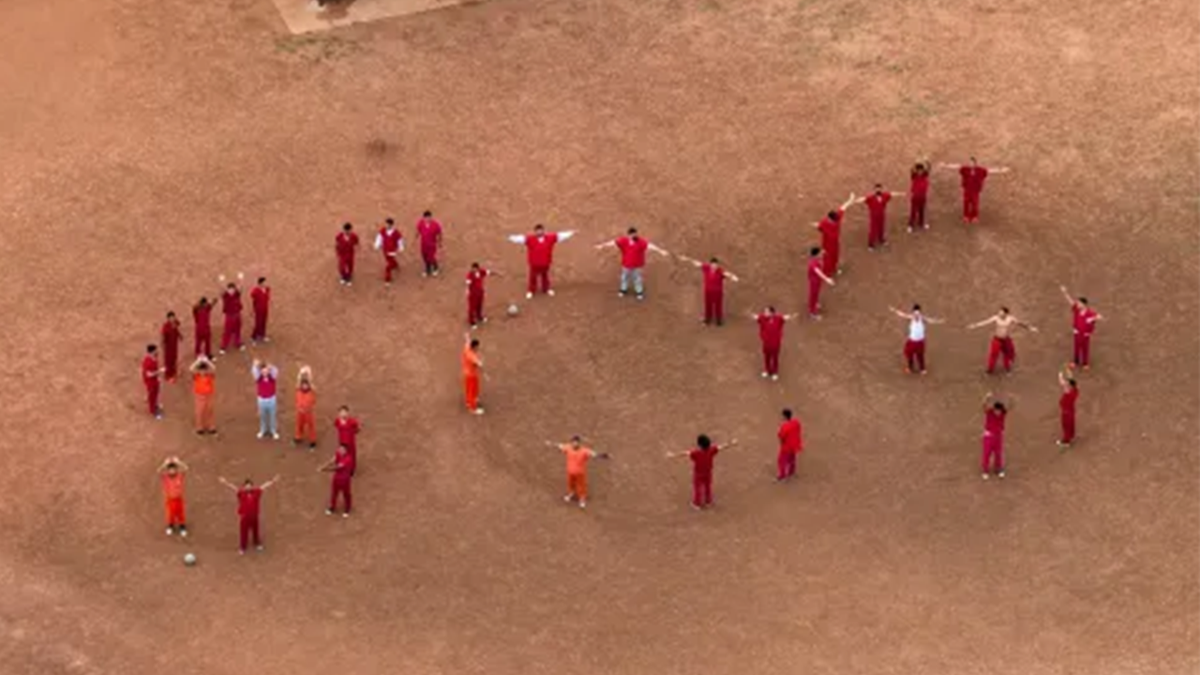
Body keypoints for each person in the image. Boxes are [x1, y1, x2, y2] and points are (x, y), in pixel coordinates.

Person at [594, 227, 671, 300]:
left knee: (637, 279)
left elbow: (650, 246)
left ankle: (639, 292)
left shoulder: (641, 242)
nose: (634, 236)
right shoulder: (624, 241)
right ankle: (623, 290)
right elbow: (613, 242)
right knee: (624, 278)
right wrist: (602, 245)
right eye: (632, 234)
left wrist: (660, 251)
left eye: (635, 234)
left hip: (637, 266)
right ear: (629, 235)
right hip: (626, 265)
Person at [667, 435, 738, 510]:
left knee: (697, 487)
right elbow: (721, 447)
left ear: (699, 445)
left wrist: (672, 455)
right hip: (708, 472)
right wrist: (732, 443)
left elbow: (685, 453)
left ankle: (697, 503)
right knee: (708, 486)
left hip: (698, 474)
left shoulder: (696, 453)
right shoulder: (712, 450)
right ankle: (708, 501)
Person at [507, 224, 577, 299]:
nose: (539, 232)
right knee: (533, 277)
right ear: (535, 232)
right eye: (538, 231)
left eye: (541, 230)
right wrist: (510, 237)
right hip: (534, 264)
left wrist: (572, 232)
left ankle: (546, 289)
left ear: (543, 231)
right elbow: (519, 239)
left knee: (545, 277)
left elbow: (561, 236)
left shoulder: (550, 238)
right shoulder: (530, 239)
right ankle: (531, 291)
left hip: (545, 263)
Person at [218, 475, 280, 554]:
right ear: (244, 487)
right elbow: (233, 488)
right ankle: (242, 547)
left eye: (250, 486)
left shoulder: (256, 492)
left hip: (254, 516)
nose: (248, 488)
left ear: (252, 486)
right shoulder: (241, 493)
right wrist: (225, 482)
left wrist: (273, 481)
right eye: (247, 486)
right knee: (243, 532)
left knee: (256, 531)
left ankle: (257, 543)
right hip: (245, 517)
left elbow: (264, 486)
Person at [938, 157, 1011, 224]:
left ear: (975, 164)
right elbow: (956, 167)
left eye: (972, 163)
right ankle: (966, 216)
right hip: (967, 190)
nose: (971, 164)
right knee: (966, 203)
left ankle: (974, 217)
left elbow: (990, 171)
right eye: (970, 163)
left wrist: (1001, 170)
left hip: (975, 191)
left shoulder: (980, 170)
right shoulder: (965, 169)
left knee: (975, 204)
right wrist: (945, 165)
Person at [968, 307, 1038, 374]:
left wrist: (1030, 328)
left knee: (1008, 353)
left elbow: (1020, 323)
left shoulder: (1010, 319)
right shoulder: (995, 318)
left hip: (1006, 339)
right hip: (997, 339)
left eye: (1001, 312)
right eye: (999, 312)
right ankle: (990, 369)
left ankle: (1007, 367)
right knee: (993, 354)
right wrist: (975, 325)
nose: (999, 314)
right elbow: (985, 322)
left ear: (1006, 313)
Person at [546, 436, 610, 509]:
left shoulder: (585, 451)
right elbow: (559, 446)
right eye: (573, 442)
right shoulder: (568, 447)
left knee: (581, 486)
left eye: (576, 443)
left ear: (579, 443)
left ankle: (582, 499)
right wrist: (551, 444)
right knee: (570, 484)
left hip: (580, 473)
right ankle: (571, 493)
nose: (575, 444)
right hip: (570, 472)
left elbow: (594, 454)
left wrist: (603, 456)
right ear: (571, 443)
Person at [676, 254, 740, 326]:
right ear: (710, 264)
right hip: (708, 291)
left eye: (716, 265)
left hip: (717, 292)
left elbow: (728, 275)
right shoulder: (706, 268)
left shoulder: (720, 271)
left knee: (718, 306)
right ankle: (707, 319)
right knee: (708, 305)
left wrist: (734, 277)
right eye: (713, 264)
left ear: (717, 265)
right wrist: (685, 258)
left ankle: (718, 320)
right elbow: (697, 263)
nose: (714, 266)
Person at [888, 304, 945, 374]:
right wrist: (894, 310)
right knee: (909, 355)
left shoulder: (922, 318)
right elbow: (902, 314)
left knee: (920, 355)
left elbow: (931, 320)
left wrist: (939, 321)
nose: (916, 315)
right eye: (915, 313)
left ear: (920, 312)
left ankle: (922, 369)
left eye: (918, 313)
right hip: (912, 341)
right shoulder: (911, 318)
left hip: (920, 341)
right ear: (913, 313)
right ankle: (910, 367)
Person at [811, 193, 856, 277]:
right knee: (827, 258)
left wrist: (850, 200)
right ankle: (826, 272)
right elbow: (843, 207)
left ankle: (833, 269)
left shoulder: (830, 221)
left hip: (834, 243)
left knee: (835, 256)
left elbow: (843, 207)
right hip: (827, 244)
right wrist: (850, 200)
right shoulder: (826, 222)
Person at [1059, 285, 1103, 369]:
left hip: (1085, 334)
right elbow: (1070, 301)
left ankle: (1085, 363)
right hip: (1077, 332)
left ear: (1084, 304)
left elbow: (1100, 317)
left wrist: (1091, 319)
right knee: (1076, 347)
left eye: (1079, 303)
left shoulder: (1090, 313)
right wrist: (1065, 292)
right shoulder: (1076, 309)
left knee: (1085, 348)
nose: (1077, 304)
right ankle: (1076, 361)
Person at [750, 306, 797, 380]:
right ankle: (767, 370)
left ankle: (775, 372)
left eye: (766, 311)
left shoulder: (778, 318)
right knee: (766, 358)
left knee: (775, 358)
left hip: (775, 343)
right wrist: (750, 314)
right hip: (766, 343)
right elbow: (756, 317)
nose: (765, 313)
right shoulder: (762, 318)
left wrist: (792, 316)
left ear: (772, 313)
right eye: (764, 311)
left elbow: (786, 317)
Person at [855, 184, 905, 250]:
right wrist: (855, 201)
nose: (878, 190)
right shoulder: (871, 198)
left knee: (881, 228)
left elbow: (892, 194)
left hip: (881, 215)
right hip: (874, 216)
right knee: (873, 230)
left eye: (879, 189)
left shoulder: (885, 196)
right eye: (877, 189)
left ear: (881, 189)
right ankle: (871, 244)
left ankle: (881, 240)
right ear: (874, 190)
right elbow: (863, 199)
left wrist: (901, 194)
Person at [319, 445, 354, 517]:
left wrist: (324, 469)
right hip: (337, 478)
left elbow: (336, 468)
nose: (340, 450)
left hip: (345, 479)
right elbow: (332, 460)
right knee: (334, 493)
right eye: (340, 449)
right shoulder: (338, 453)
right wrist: (323, 466)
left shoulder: (348, 459)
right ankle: (332, 507)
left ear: (346, 451)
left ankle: (347, 508)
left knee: (346, 494)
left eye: (342, 449)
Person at [979, 392, 1008, 480]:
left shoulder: (1003, 414)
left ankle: (998, 469)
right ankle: (985, 470)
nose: (998, 412)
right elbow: (983, 406)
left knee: (998, 453)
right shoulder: (989, 413)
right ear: (994, 409)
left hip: (998, 436)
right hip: (989, 436)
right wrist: (986, 398)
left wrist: (1009, 399)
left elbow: (1011, 406)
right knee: (986, 453)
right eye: (997, 410)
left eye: (999, 411)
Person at [158, 456, 189, 537]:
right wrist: (165, 464)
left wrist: (178, 462)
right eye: (170, 470)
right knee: (171, 513)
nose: (172, 472)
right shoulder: (166, 478)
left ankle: (182, 526)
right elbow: (159, 471)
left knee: (180, 513)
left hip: (178, 499)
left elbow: (186, 468)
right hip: (170, 499)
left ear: (176, 470)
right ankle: (170, 526)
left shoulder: (179, 476)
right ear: (168, 471)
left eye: (174, 470)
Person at [466, 262, 502, 328]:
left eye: (475, 269)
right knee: (472, 308)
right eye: (473, 269)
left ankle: (479, 317)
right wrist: (468, 291)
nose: (474, 270)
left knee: (479, 305)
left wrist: (497, 273)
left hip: (480, 292)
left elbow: (489, 272)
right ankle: (471, 322)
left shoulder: (480, 271)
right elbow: (468, 284)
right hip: (473, 294)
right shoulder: (469, 275)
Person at [251, 359, 280, 440]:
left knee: (272, 416)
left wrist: (271, 366)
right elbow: (254, 372)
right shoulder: (258, 377)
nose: (265, 373)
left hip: (271, 399)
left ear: (269, 371)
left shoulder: (272, 377)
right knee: (262, 416)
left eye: (266, 371)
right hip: (261, 400)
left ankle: (273, 431)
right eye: (263, 371)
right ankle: (262, 430)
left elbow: (275, 371)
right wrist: (255, 365)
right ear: (261, 371)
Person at [189, 355, 217, 435]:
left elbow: (213, 369)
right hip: (199, 396)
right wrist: (198, 361)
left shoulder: (209, 375)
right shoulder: (196, 376)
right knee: (199, 411)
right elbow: (191, 369)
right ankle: (199, 427)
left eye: (204, 370)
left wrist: (207, 361)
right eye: (201, 370)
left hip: (209, 395)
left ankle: (211, 427)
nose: (203, 372)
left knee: (209, 411)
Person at [217, 273, 245, 354]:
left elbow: (241, 289)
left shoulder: (237, 294)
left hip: (237, 315)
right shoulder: (225, 295)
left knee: (237, 330)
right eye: (230, 289)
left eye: (233, 289)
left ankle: (238, 343)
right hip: (229, 316)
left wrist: (241, 280)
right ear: (227, 289)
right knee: (227, 331)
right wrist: (221, 282)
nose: (231, 291)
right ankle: (223, 346)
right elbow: (221, 291)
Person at [806, 247, 837, 318]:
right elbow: (819, 273)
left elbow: (823, 251)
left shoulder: (815, 259)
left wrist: (824, 252)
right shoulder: (813, 264)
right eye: (820, 253)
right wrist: (827, 280)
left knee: (816, 293)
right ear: (816, 255)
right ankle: (812, 312)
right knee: (813, 295)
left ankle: (815, 303)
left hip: (817, 280)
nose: (821, 254)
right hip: (814, 281)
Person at [374, 218, 404, 284]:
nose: (386, 226)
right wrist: (377, 245)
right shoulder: (383, 231)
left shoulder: (396, 233)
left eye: (387, 224)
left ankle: (388, 278)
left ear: (391, 225)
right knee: (390, 260)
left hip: (392, 250)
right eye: (386, 224)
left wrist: (401, 247)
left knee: (388, 266)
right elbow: (379, 238)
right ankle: (395, 265)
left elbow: (400, 240)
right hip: (385, 250)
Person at [776, 409, 803, 481]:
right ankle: (791, 472)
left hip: (787, 446)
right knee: (792, 459)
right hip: (795, 445)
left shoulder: (785, 426)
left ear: (784, 416)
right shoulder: (796, 422)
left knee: (781, 461)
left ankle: (782, 475)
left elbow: (781, 436)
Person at [1057, 364, 1080, 449]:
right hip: (1071, 410)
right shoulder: (1075, 390)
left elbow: (1063, 384)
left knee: (1066, 425)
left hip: (1066, 412)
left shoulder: (1068, 393)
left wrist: (1060, 376)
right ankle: (1072, 435)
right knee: (1071, 424)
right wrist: (1068, 370)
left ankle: (1066, 441)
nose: (1066, 384)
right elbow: (1071, 380)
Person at [334, 405, 361, 471]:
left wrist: (352, 433)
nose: (343, 414)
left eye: (344, 412)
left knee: (351, 455)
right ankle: (342, 465)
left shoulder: (352, 421)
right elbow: (337, 426)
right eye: (341, 412)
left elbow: (358, 429)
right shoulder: (337, 421)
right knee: (342, 454)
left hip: (350, 442)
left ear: (347, 413)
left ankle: (351, 469)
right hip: (342, 441)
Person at [295, 366, 317, 450]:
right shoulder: (298, 390)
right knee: (299, 425)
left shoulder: (311, 392)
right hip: (300, 412)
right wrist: (300, 373)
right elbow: (298, 382)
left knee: (311, 426)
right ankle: (298, 437)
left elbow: (311, 383)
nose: (304, 386)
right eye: (303, 385)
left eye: (306, 385)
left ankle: (312, 441)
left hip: (308, 412)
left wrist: (309, 373)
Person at [416, 211, 444, 277]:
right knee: (424, 257)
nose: (427, 219)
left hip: (432, 245)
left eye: (429, 218)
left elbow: (439, 234)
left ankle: (435, 268)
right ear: (424, 218)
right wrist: (416, 237)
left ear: (431, 217)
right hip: (423, 244)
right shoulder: (421, 223)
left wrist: (440, 242)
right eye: (426, 218)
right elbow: (418, 231)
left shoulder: (435, 225)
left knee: (431, 257)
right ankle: (428, 269)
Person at [462, 334, 484, 415]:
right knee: (472, 390)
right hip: (471, 374)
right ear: (474, 347)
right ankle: (473, 408)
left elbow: (467, 341)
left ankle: (469, 401)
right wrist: (481, 363)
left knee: (470, 389)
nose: (478, 348)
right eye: (477, 347)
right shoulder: (471, 355)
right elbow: (478, 363)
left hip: (467, 373)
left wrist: (467, 337)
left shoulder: (467, 348)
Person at [141, 344, 164, 419]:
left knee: (156, 393)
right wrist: (159, 372)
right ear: (152, 351)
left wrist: (157, 377)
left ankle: (155, 405)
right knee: (152, 396)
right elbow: (149, 375)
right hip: (150, 382)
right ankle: (153, 411)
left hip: (154, 380)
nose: (157, 351)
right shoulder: (147, 362)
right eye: (156, 350)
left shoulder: (154, 358)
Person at [908, 160, 931, 232]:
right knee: (913, 211)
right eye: (918, 171)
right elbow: (911, 169)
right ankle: (910, 225)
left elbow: (929, 168)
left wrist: (927, 162)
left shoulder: (925, 176)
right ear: (917, 171)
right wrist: (915, 163)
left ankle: (921, 223)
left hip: (923, 197)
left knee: (922, 211)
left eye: (921, 171)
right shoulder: (914, 176)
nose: (920, 172)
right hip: (915, 197)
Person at [161, 311, 182, 383]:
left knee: (174, 359)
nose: (173, 319)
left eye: (173, 317)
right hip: (168, 347)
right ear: (168, 318)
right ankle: (168, 376)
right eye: (171, 318)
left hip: (174, 346)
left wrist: (180, 336)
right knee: (168, 361)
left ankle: (174, 373)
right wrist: (163, 345)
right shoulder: (165, 326)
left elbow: (177, 328)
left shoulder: (175, 323)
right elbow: (163, 336)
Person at [250, 277, 271, 343]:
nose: (265, 283)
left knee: (263, 322)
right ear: (260, 283)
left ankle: (262, 335)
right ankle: (254, 336)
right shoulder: (256, 290)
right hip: (258, 309)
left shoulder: (267, 289)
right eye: (264, 282)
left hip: (265, 308)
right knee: (258, 322)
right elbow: (252, 295)